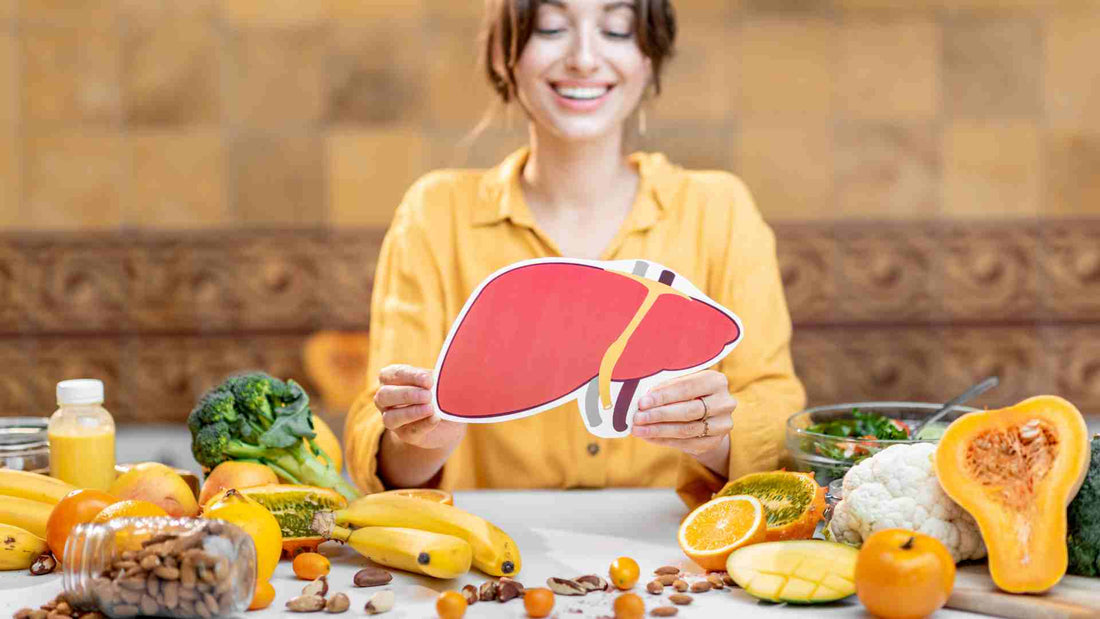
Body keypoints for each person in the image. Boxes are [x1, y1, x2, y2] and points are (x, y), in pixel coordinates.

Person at [344, 0, 805, 509]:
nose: (584, 58)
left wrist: (714, 438)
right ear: (503, 54)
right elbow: (381, 453)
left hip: (678, 558)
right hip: (491, 559)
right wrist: (420, 437)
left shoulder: (722, 209)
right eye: (552, 27)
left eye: (615, 29)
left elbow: (774, 412)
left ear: (649, 55)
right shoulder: (434, 214)